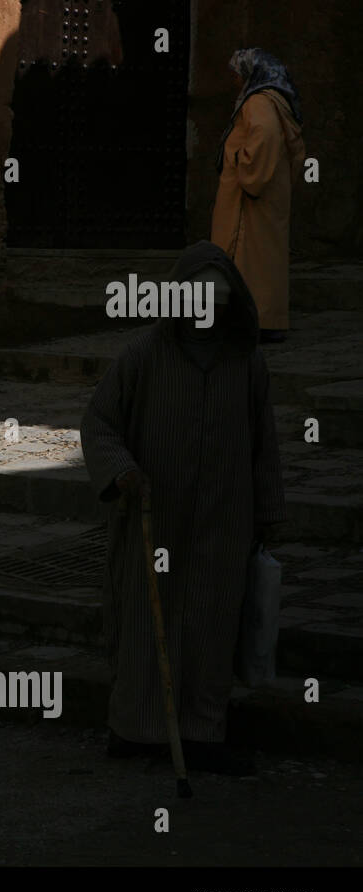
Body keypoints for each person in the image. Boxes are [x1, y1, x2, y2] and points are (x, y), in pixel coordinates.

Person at [80, 241, 286, 776]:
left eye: (217, 302)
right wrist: (122, 469)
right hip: (156, 516)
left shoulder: (247, 362)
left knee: (213, 625)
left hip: (225, 519)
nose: (207, 312)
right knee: (148, 623)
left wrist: (268, 512)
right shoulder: (143, 355)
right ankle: (134, 730)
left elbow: (264, 442)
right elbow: (100, 423)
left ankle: (202, 732)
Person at [211, 48, 305, 345]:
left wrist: (242, 163)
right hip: (266, 199)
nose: (235, 80)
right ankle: (267, 318)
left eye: (238, 74)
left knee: (248, 259)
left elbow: (263, 137)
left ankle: (252, 319)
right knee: (266, 260)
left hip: (251, 201)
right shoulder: (275, 101)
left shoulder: (259, 103)